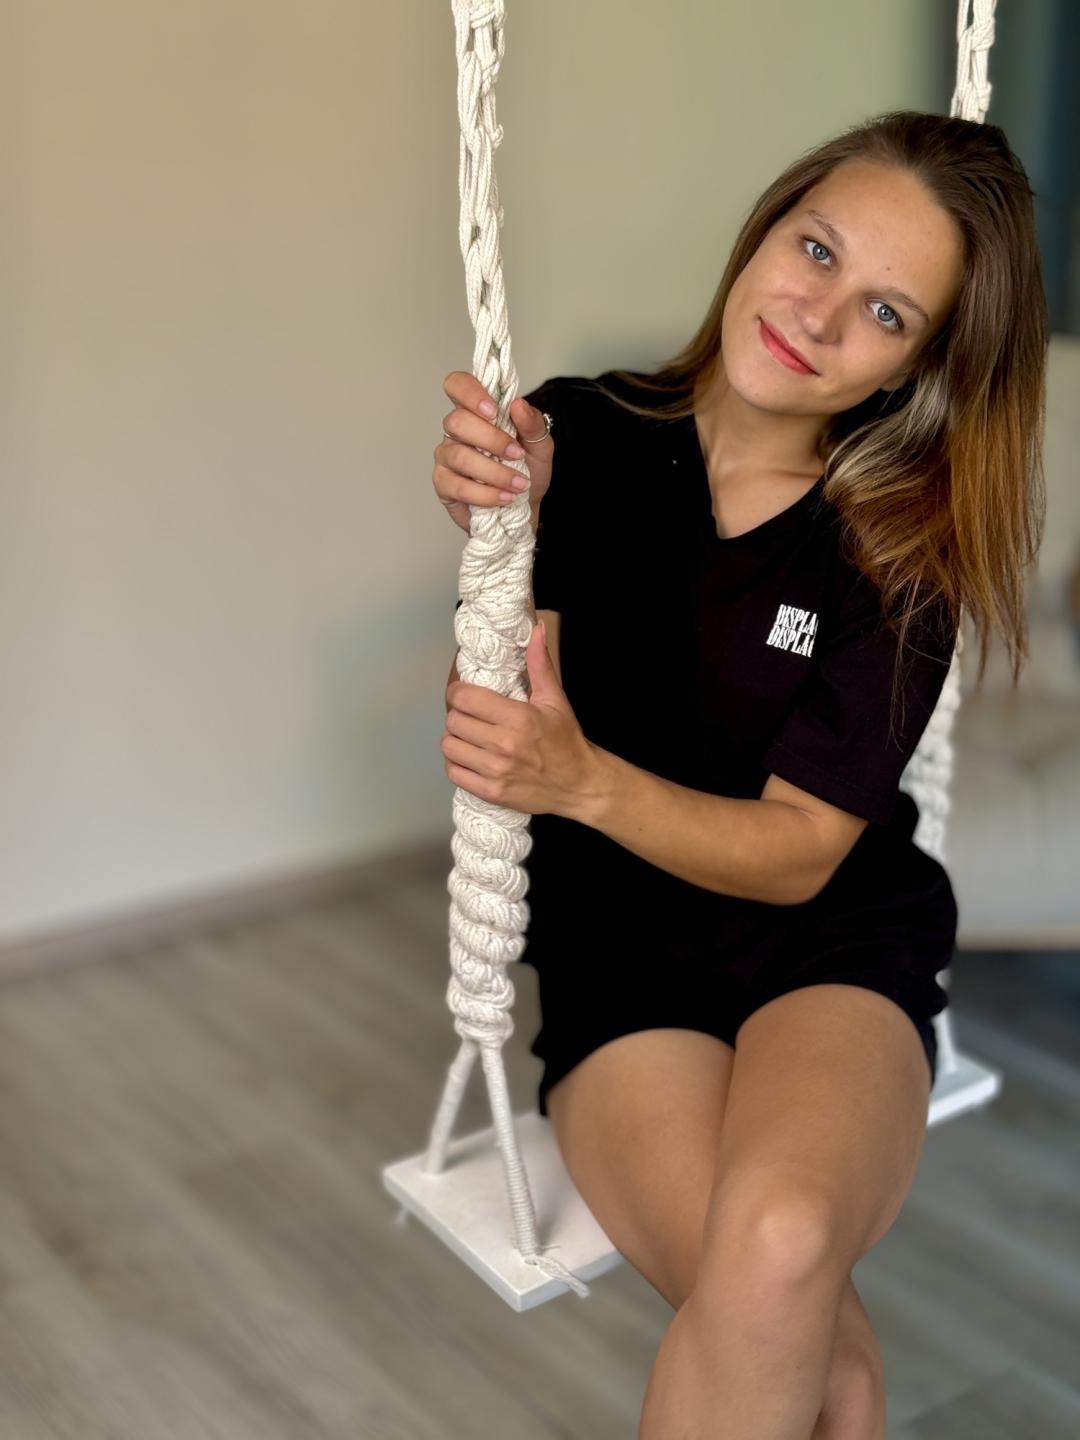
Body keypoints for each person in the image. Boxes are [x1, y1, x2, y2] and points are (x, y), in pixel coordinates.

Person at [432, 110, 1047, 1440]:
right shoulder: (582, 437)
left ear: (919, 367)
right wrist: (498, 516)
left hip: (830, 943)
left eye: (884, 311)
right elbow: (509, 675)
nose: (818, 317)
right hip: (625, 961)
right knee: (829, 1369)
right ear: (765, 229)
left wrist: (582, 783)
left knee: (781, 1237)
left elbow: (802, 853)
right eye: (816, 249)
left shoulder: (898, 552)